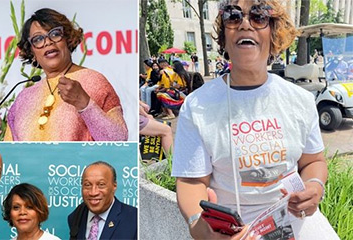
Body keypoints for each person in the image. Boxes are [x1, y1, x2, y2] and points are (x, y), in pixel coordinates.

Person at [173, 0, 338, 239]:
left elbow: (314, 161)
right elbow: (191, 181)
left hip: (295, 221)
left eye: (259, 16)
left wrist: (314, 186)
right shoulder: (198, 105)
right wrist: (200, 228)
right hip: (235, 231)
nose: (244, 24)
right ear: (224, 37)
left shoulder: (299, 99)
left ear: (274, 33)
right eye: (233, 16)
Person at [5, 8, 127, 141]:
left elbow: (118, 141)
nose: (48, 42)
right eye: (38, 39)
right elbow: (8, 154)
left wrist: (85, 104)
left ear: (68, 39)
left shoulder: (94, 81)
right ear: (31, 52)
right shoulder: (24, 98)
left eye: (55, 34)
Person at [68, 161, 138, 240]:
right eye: (87, 185)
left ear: (114, 186)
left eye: (101, 185)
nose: (93, 192)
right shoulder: (76, 216)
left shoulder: (135, 219)